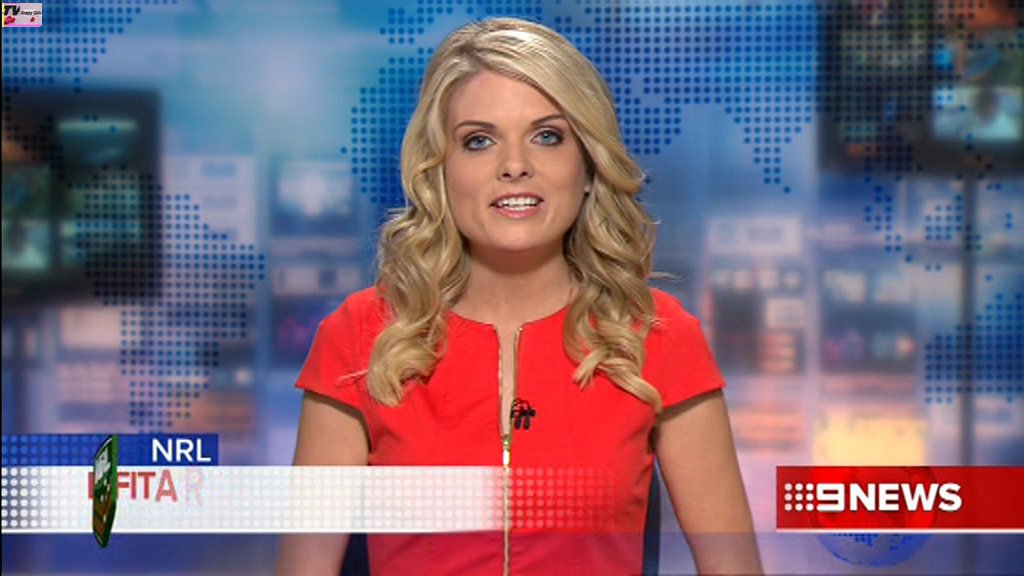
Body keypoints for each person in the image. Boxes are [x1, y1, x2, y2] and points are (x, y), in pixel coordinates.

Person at [275, 17, 762, 576]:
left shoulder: (658, 337)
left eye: (547, 136)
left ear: (588, 166)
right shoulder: (360, 335)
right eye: (478, 141)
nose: (514, 166)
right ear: (440, 171)